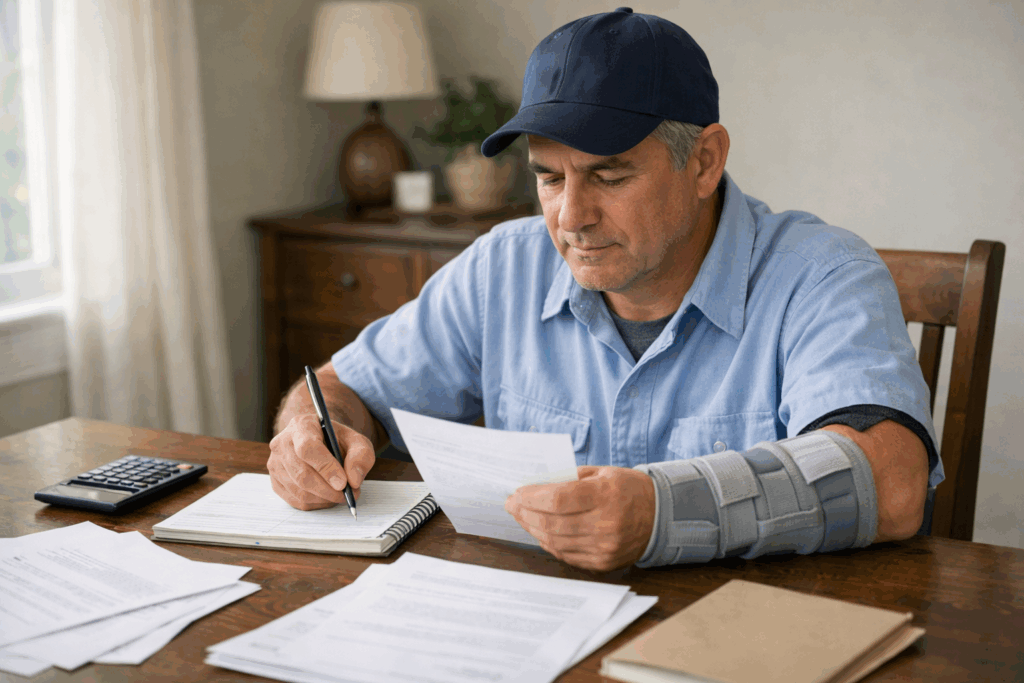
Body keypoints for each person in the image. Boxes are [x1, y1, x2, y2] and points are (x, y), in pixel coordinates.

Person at [269, 7, 943, 572]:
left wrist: (663, 511)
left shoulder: (822, 275)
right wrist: (309, 434)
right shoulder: (503, 267)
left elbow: (893, 482)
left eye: (610, 176)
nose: (571, 217)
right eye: (549, 177)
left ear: (704, 161)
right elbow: (341, 390)